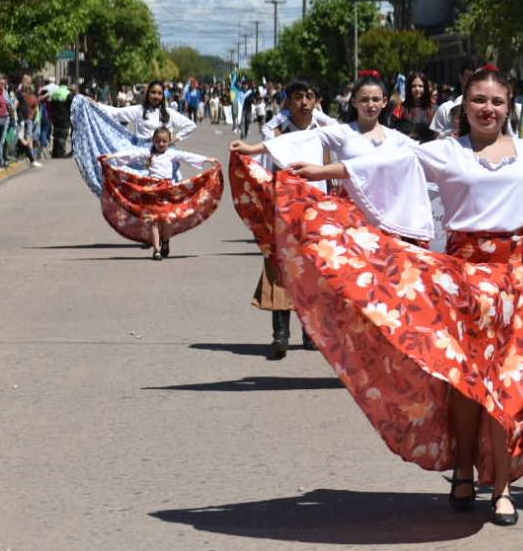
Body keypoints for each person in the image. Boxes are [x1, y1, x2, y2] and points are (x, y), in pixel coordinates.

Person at [282, 68, 523, 527]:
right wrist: (325, 171)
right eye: (479, 100)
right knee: (467, 386)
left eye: (497, 101)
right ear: (464, 106)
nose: (488, 109)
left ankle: (503, 487)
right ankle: (464, 472)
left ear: (510, 107)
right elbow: (387, 164)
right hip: (461, 280)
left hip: (517, 281)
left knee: (510, 387)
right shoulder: (446, 152)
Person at [227, 80, 350, 358]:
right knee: (280, 268)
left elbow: (342, 132)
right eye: (297, 97)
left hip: (318, 209)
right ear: (287, 102)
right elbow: (266, 148)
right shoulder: (277, 129)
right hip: (284, 207)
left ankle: (310, 331)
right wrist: (283, 116)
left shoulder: (324, 131)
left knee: (314, 270)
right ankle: (280, 333)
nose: (304, 103)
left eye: (309, 97)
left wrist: (317, 113)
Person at [99, 127, 219, 260]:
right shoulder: (148, 153)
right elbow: (132, 154)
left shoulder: (171, 153)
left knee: (166, 220)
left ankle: (165, 242)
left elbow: (187, 156)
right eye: (158, 141)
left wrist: (207, 159)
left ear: (169, 142)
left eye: (164, 141)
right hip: (152, 191)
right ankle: (156, 250)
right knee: (153, 220)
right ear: (153, 141)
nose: (161, 144)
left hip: (167, 191)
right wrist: (113, 157)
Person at [100, 80, 198, 142]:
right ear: (148, 94)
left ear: (163, 96)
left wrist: (176, 138)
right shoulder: (139, 110)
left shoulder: (169, 113)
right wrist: (94, 104)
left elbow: (191, 125)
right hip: (142, 155)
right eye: (153, 93)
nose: (156, 96)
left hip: (164, 157)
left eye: (159, 93)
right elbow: (116, 112)